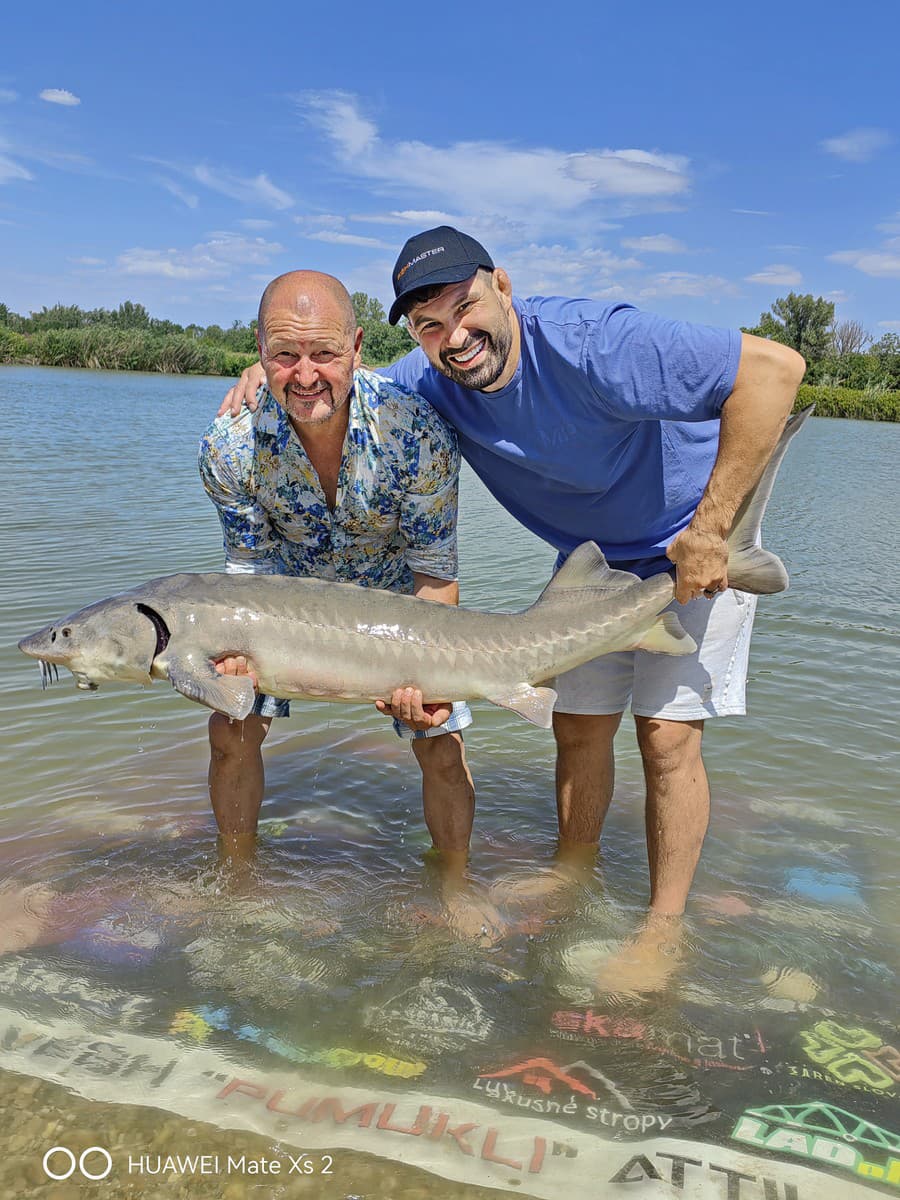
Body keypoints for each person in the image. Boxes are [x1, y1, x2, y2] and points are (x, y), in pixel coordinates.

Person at [219, 230, 805, 940]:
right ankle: (573, 875)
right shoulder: (429, 380)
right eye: (430, 326)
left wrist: (712, 533)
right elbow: (335, 384)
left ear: (502, 285)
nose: (455, 337)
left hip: (696, 535)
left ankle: (663, 928)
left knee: (666, 739)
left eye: (466, 309)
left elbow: (776, 370)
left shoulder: (595, 343)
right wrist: (267, 378)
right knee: (578, 732)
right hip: (590, 562)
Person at [200, 270, 477, 881]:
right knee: (231, 727)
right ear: (259, 350)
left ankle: (454, 885)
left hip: (398, 608)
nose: (305, 376)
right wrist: (236, 663)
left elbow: (433, 576)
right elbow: (245, 577)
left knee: (442, 740)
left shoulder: (419, 434)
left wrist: (430, 682)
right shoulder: (229, 447)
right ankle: (237, 881)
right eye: (284, 355)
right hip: (280, 609)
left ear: (356, 347)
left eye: (324, 353)